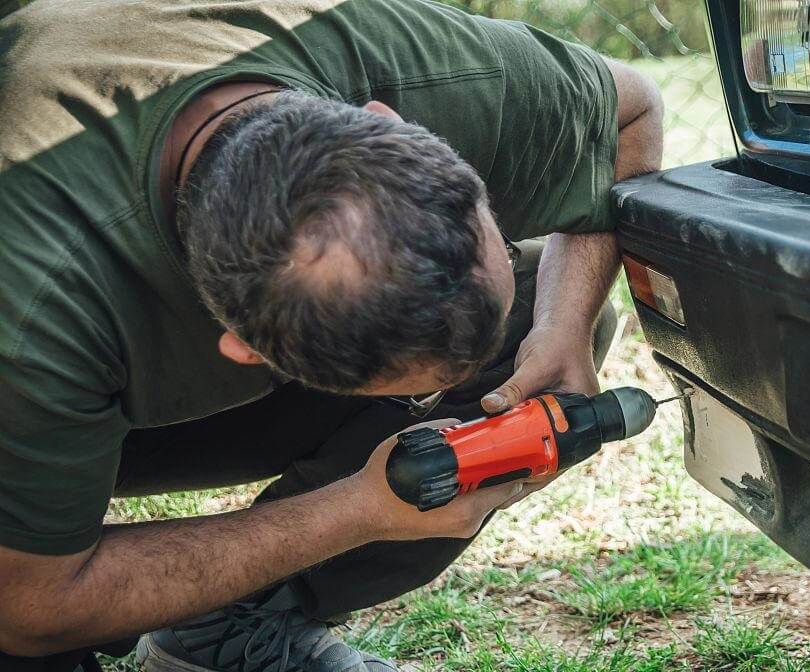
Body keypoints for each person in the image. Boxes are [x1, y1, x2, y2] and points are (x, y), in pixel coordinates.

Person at [0, 0, 663, 670]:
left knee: (511, 335)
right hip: (35, 387)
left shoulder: (413, 63)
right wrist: (357, 510)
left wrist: (563, 322)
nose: (464, 396)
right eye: (429, 387)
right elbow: (30, 606)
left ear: (390, 123)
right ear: (242, 347)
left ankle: (225, 634)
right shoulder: (38, 306)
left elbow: (629, 113)